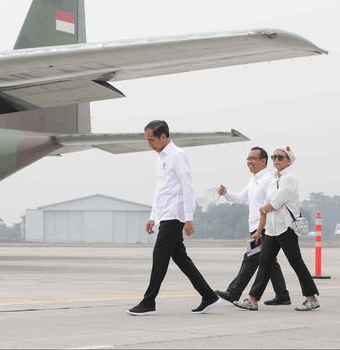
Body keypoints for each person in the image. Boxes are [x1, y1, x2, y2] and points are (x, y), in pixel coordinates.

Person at [127, 120, 221, 316]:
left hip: (175, 215)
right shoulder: (160, 157)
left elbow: (188, 187)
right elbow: (160, 190)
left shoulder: (178, 156)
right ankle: (209, 296)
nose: (150, 145)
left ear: (164, 137)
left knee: (159, 256)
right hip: (165, 214)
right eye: (147, 140)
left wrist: (188, 218)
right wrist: (153, 216)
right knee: (180, 258)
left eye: (152, 140)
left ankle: (149, 302)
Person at [233, 146, 320, 311]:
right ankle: (252, 300)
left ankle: (311, 298)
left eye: (281, 157)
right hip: (272, 229)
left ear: (288, 161)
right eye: (274, 157)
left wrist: (264, 208)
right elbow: (266, 208)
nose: (277, 160)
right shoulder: (273, 179)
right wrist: (259, 231)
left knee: (296, 262)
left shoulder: (290, 179)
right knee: (264, 263)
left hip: (286, 228)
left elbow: (275, 203)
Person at [215, 147, 291, 305]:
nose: (249, 161)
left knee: (250, 259)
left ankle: (233, 292)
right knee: (269, 263)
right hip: (256, 228)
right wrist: (226, 193)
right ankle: (282, 295)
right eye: (248, 159)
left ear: (263, 161)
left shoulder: (268, 180)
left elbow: (272, 206)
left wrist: (260, 229)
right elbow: (241, 198)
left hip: (264, 228)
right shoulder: (254, 180)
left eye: (253, 158)